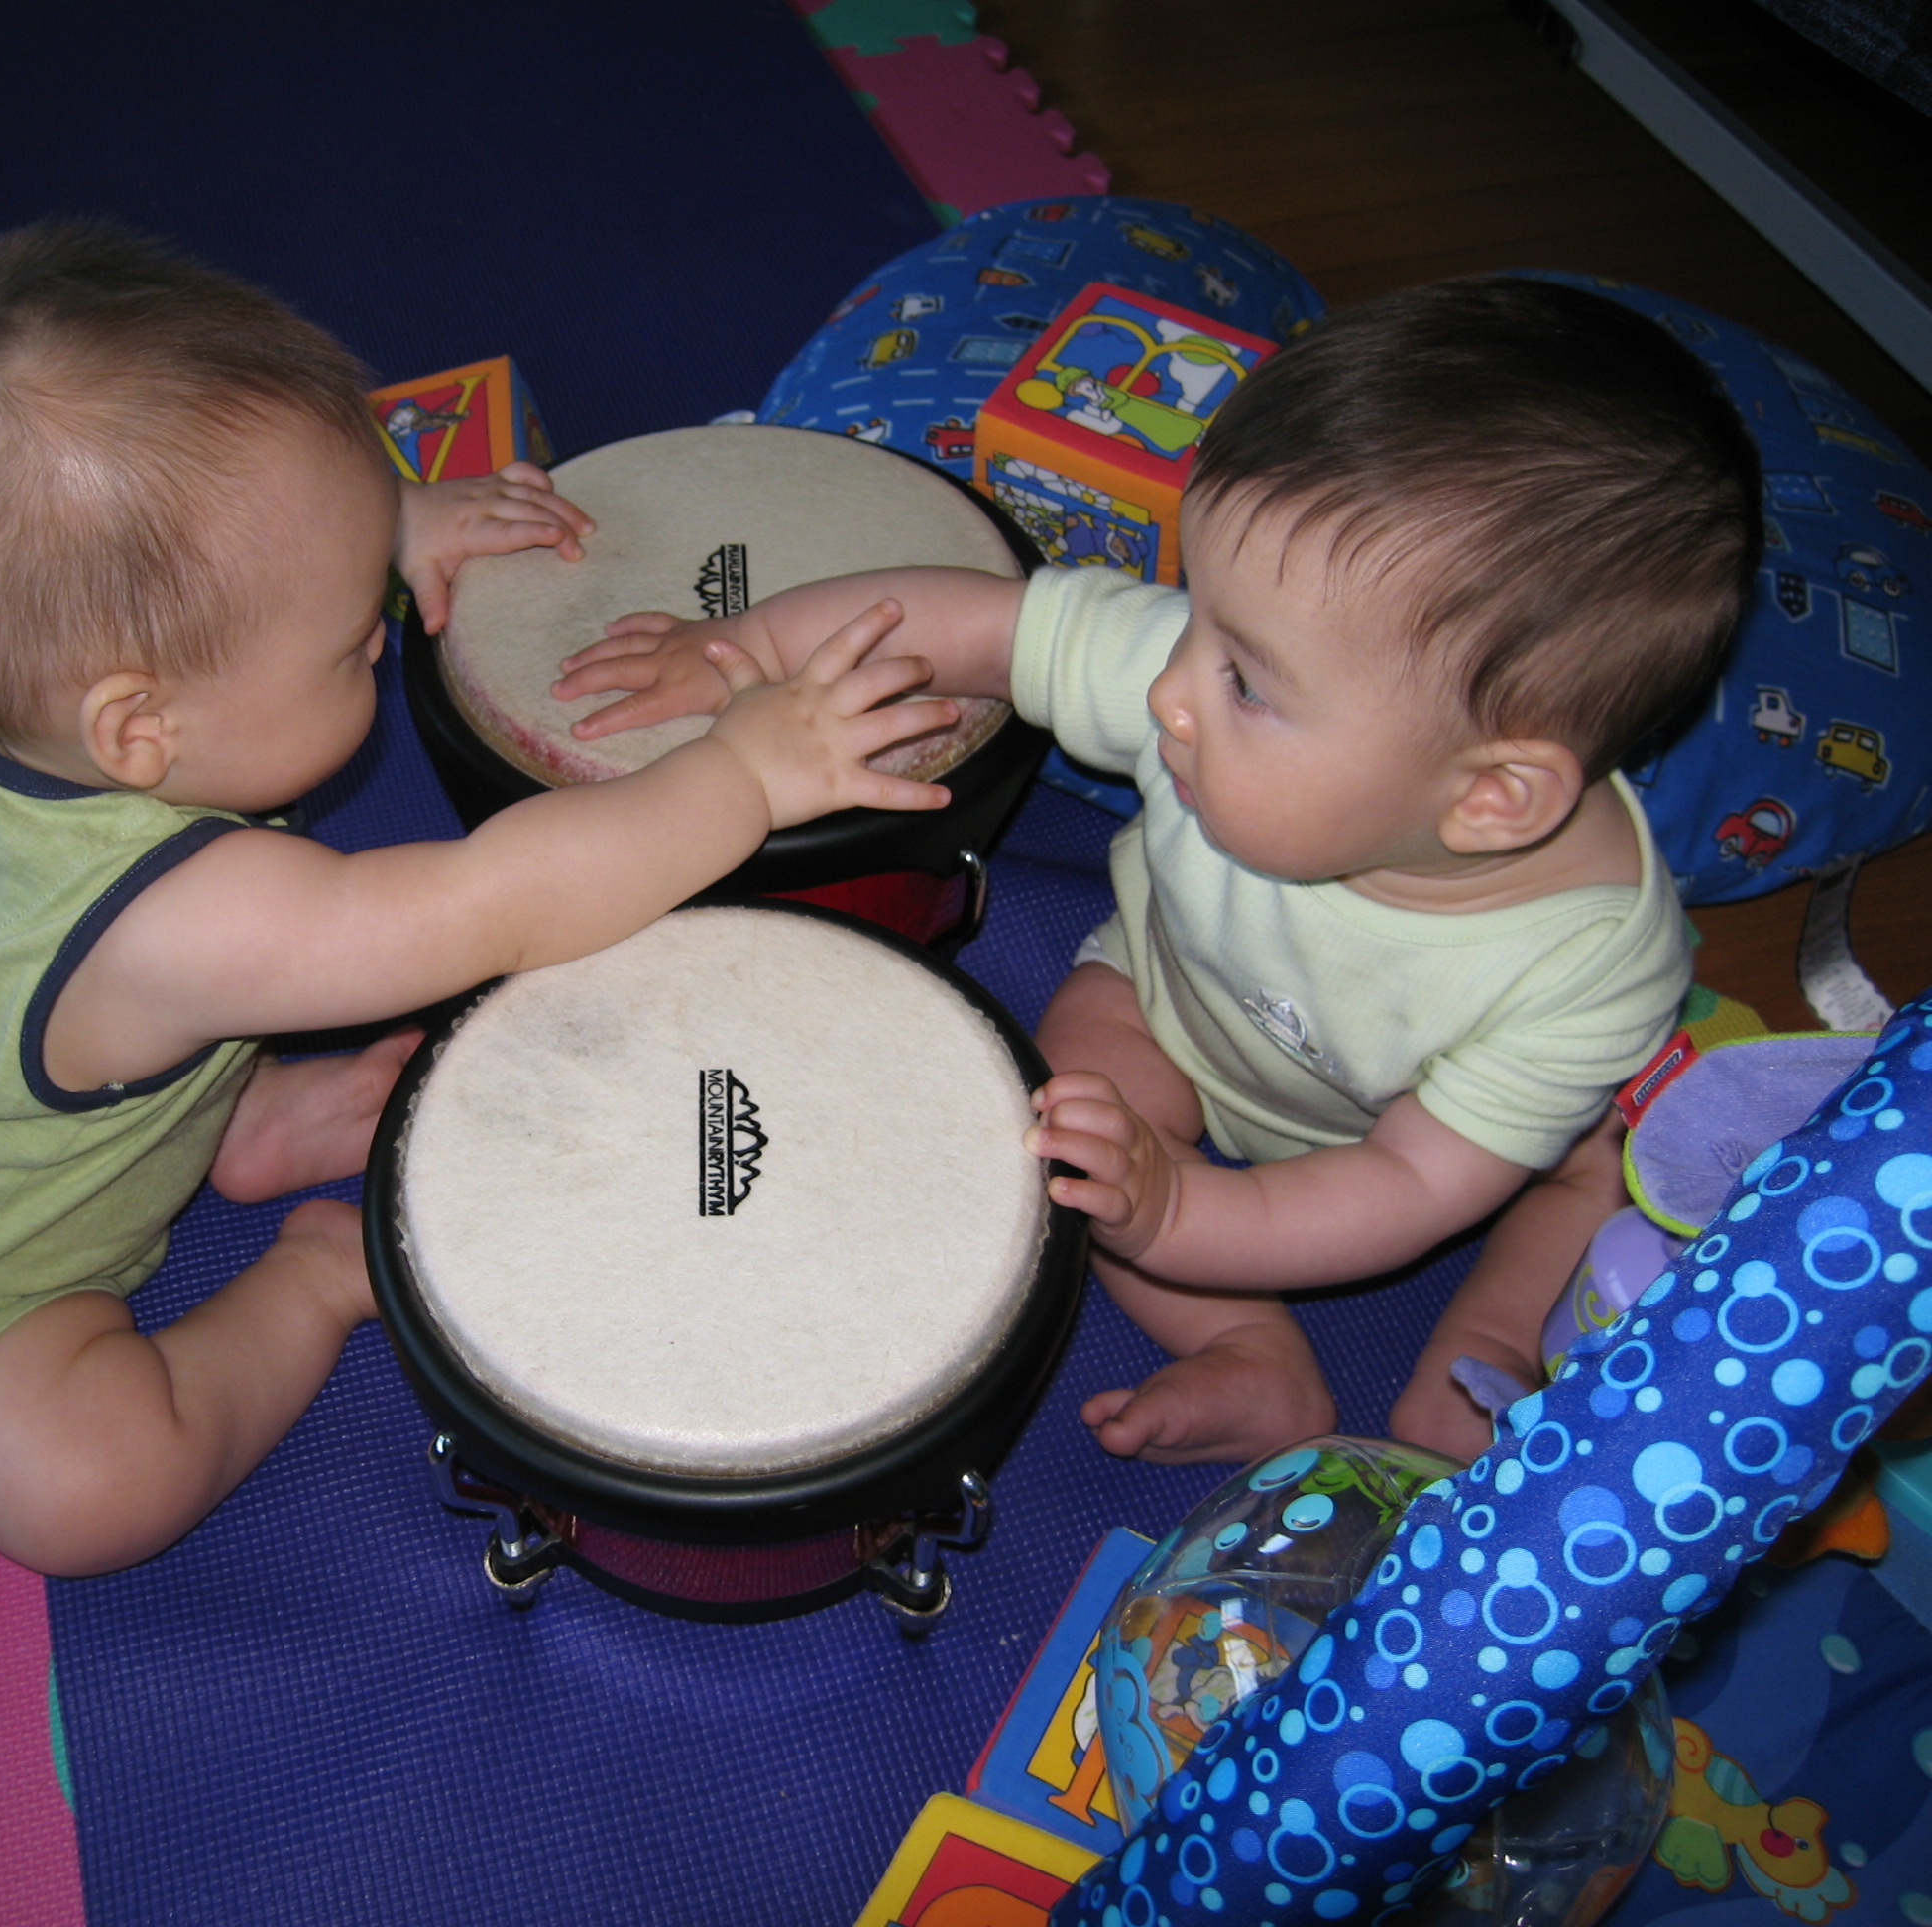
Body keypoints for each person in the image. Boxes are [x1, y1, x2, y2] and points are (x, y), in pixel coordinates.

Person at [0, 221, 961, 1575]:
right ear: (142, 732)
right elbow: (500, 903)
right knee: (97, 1496)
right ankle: (309, 1278)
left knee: (158, 1029)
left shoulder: (21, 684)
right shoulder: (191, 922)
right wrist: (744, 773)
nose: (379, 630)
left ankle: (225, 1119)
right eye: (342, 635)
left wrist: (386, 523)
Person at [553, 276, 1760, 1466]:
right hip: (1168, 989)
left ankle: (1493, 1344)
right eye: (1197, 620)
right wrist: (748, 648)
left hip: (1421, 1132)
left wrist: (1186, 1211)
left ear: (1489, 799)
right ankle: (1254, 1354)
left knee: (1590, 1169)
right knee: (1068, 1122)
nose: (1171, 693)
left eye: (1245, 680)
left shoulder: (1586, 976)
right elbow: (983, 623)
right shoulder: (1210, 679)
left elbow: (1403, 1185)